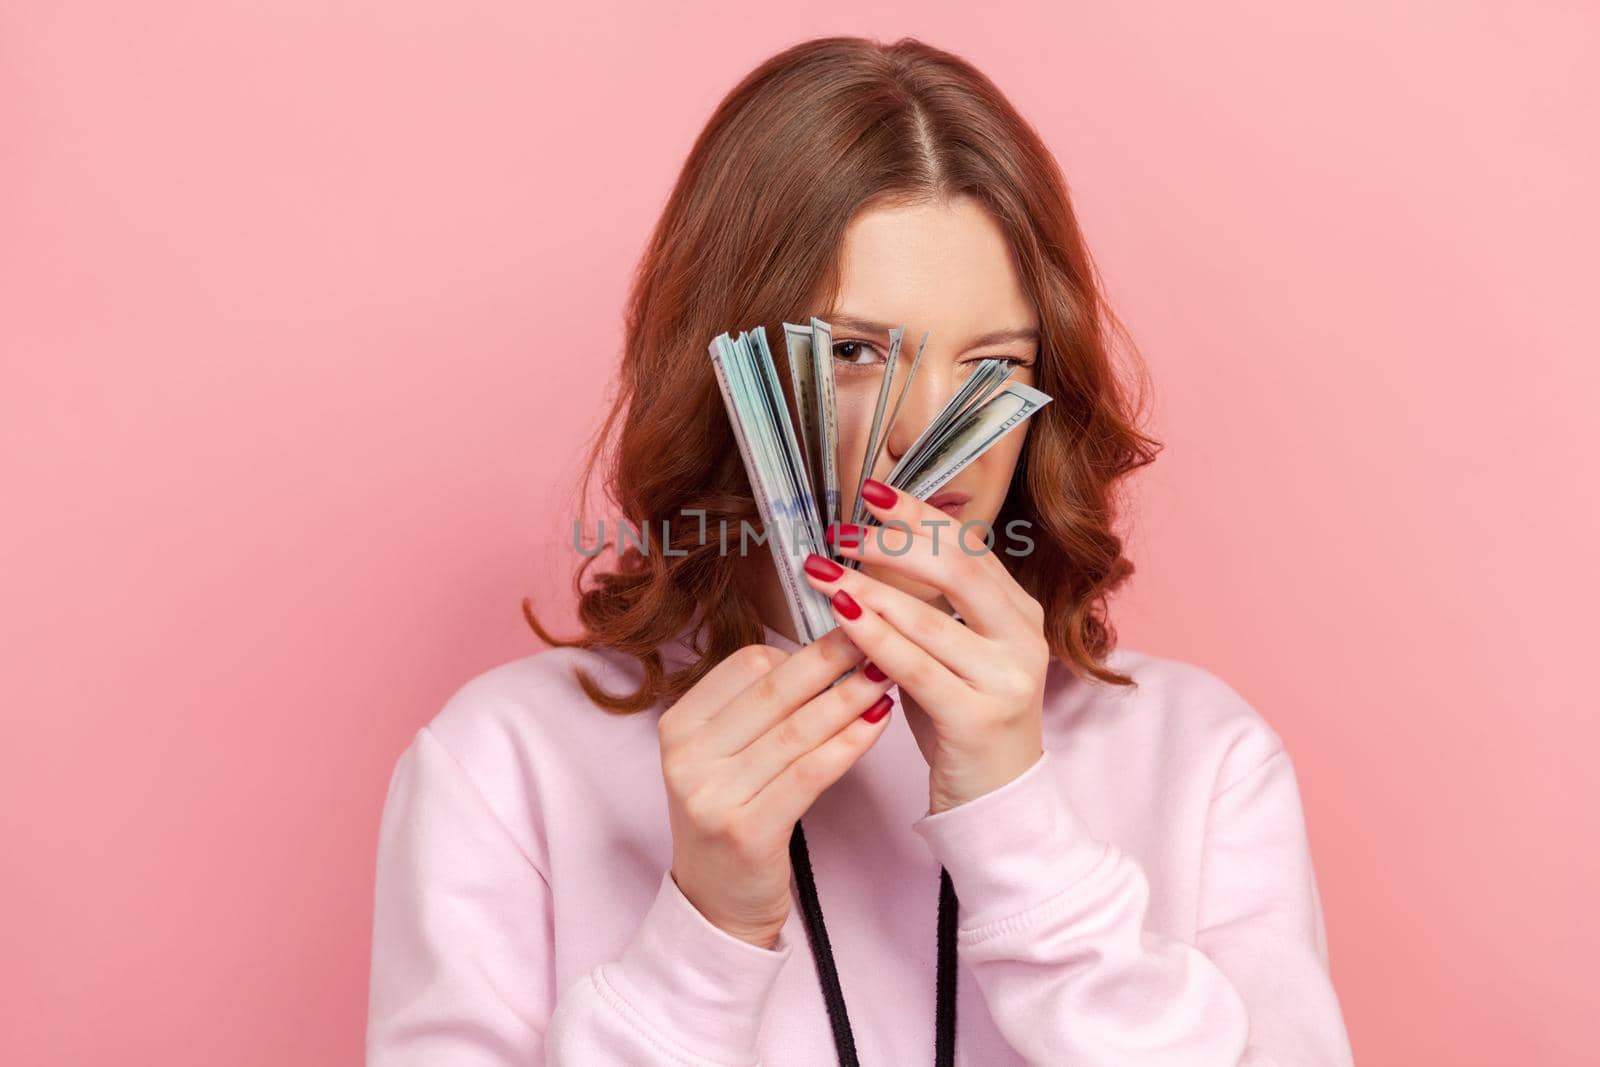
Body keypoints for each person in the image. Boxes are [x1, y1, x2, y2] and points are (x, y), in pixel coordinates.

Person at [365, 35, 1355, 1066]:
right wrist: (705, 933)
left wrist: (1022, 833)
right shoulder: (505, 764)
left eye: (992, 364)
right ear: (726, 369)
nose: (923, 433)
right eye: (852, 353)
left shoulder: (1199, 760)